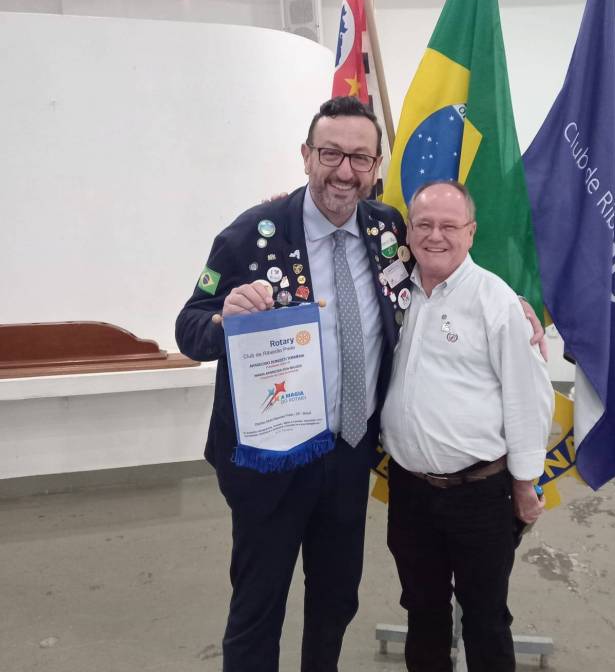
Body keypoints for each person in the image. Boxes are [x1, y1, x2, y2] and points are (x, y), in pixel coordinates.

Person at [176, 97, 544, 672]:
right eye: (330, 154)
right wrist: (226, 320)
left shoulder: (388, 229)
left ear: (376, 166)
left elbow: (444, 268)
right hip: (270, 461)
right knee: (257, 606)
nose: (344, 171)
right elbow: (188, 327)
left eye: (360, 158)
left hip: (348, 457)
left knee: (335, 599)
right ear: (306, 155)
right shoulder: (252, 235)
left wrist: (512, 302)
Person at [381, 180, 554, 672]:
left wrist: (525, 484)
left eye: (449, 226)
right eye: (423, 224)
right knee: (422, 612)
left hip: (478, 496)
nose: (435, 236)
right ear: (408, 231)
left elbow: (527, 400)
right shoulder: (394, 290)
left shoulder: (496, 302)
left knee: (485, 618)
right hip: (410, 491)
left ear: (471, 232)